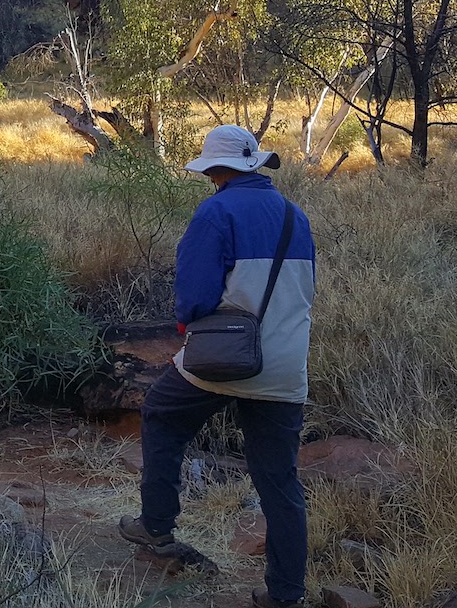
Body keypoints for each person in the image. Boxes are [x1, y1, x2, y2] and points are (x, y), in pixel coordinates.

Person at [119, 124, 318, 608]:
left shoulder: (216, 211)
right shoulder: (297, 217)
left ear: (215, 169)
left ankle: (157, 527)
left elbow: (195, 298)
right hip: (284, 367)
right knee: (279, 481)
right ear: (254, 164)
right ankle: (286, 595)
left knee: (163, 414)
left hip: (223, 357)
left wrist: (188, 327)